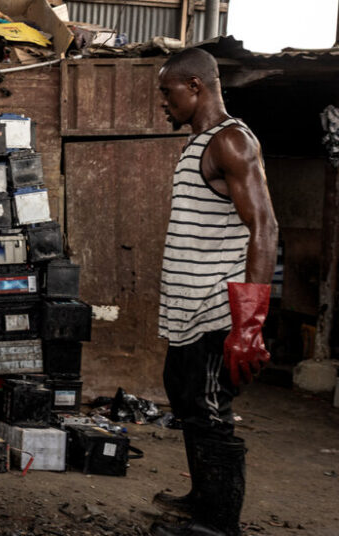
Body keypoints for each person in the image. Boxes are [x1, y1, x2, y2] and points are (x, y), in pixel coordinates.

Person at [150, 48, 278, 536]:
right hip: (187, 310)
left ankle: (220, 522)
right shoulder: (199, 142)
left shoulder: (232, 141)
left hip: (216, 310)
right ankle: (201, 497)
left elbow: (264, 228)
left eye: (168, 92)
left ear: (196, 87)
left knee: (208, 410)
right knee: (184, 397)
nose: (164, 103)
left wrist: (249, 323)